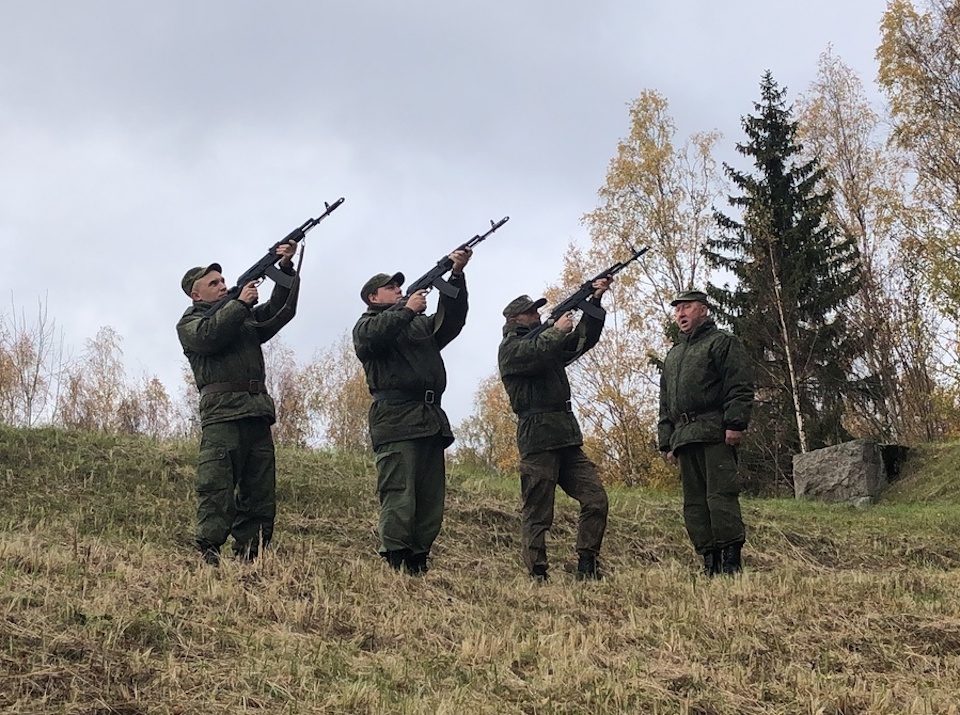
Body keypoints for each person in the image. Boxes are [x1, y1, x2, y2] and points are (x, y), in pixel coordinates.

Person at [176, 240, 299, 566]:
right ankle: (209, 552)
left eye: (223, 280)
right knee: (216, 486)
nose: (222, 286)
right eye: (213, 283)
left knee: (260, 490)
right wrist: (240, 304)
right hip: (222, 416)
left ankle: (251, 555)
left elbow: (280, 312)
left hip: (256, 412)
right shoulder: (190, 323)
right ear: (196, 294)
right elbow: (209, 337)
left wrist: (285, 268)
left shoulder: (242, 317)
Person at [353, 248, 472, 576]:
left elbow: (451, 322)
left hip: (428, 419)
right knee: (399, 493)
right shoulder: (367, 325)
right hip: (395, 420)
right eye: (391, 288)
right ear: (373, 297)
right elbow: (372, 339)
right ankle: (395, 559)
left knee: (430, 498)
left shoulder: (417, 325)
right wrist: (406, 310)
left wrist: (456, 277)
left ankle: (418, 560)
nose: (399, 290)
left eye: (399, 287)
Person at [497, 278, 612, 582]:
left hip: (566, 437)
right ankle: (538, 572)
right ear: (514, 320)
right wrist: (556, 330)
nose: (537, 315)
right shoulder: (510, 349)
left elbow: (582, 341)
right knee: (538, 512)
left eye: (537, 311)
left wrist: (594, 302)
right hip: (537, 439)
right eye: (530, 312)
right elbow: (533, 353)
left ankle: (587, 563)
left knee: (596, 499)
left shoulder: (545, 342)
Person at [658, 289, 754, 576]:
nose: (681, 314)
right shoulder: (673, 356)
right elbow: (665, 403)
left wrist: (735, 424)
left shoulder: (722, 342)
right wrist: (666, 441)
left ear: (703, 310)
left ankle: (731, 561)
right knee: (694, 504)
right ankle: (709, 561)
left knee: (721, 497)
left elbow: (739, 385)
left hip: (715, 432)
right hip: (684, 437)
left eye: (687, 307)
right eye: (677, 310)